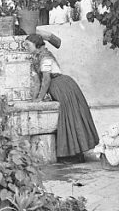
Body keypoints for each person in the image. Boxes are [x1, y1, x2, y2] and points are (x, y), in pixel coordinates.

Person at [24, 33, 99, 161]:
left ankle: (76, 154)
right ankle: (73, 153)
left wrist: (40, 98)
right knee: (67, 117)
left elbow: (46, 80)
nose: (26, 47)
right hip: (56, 87)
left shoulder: (45, 57)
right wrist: (34, 99)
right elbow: (37, 82)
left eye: (28, 44)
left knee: (70, 116)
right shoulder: (35, 59)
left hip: (63, 86)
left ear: (36, 44)